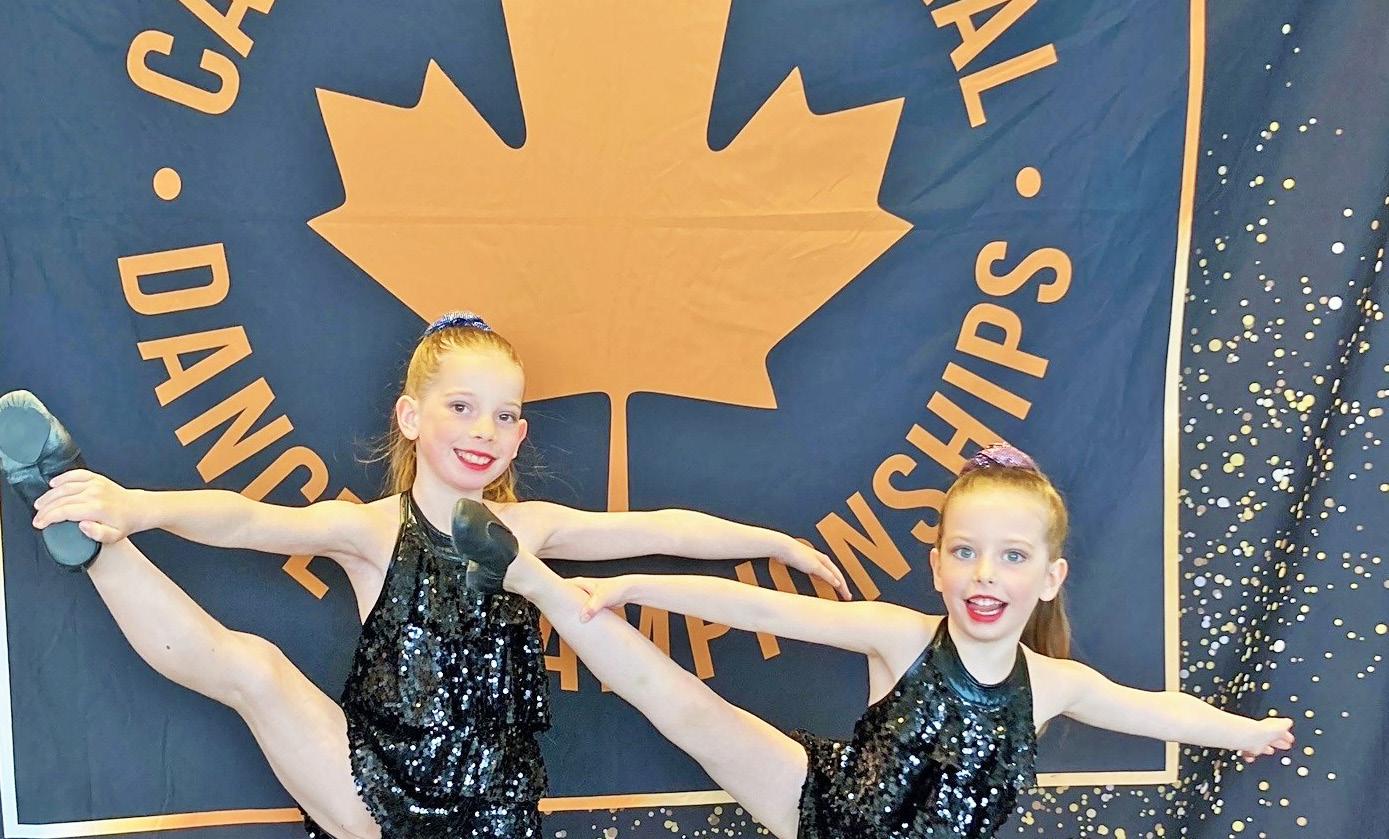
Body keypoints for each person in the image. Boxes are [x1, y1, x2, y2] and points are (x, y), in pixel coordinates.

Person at [4, 312, 849, 839]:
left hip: (493, 813)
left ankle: (95, 528)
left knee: (252, 667)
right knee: (251, 667)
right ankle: (95, 535)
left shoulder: (528, 529)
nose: (484, 430)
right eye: (461, 407)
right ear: (411, 416)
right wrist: (137, 506)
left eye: (505, 415)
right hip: (372, 788)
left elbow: (660, 528)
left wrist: (773, 541)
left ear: (519, 436)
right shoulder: (371, 530)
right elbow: (246, 519)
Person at [450, 443, 1297, 839]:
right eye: (964, 552)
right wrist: (635, 585)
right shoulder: (901, 635)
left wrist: (1247, 730)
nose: (984, 574)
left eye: (1011, 557)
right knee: (685, 706)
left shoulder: (1055, 684)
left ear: (1049, 577)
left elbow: (1160, 710)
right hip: (823, 805)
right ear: (936, 564)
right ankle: (537, 581)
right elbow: (759, 610)